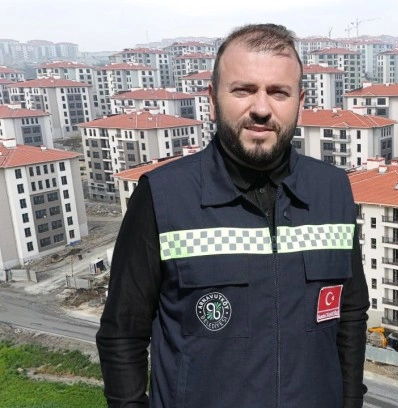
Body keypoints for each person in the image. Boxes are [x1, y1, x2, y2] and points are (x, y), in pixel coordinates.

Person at [96, 24, 370, 408]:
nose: (261, 108)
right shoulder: (163, 197)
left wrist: (350, 400)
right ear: (212, 99)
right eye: (243, 90)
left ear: (300, 102)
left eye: (278, 92)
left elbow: (351, 313)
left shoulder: (332, 191)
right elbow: (122, 332)